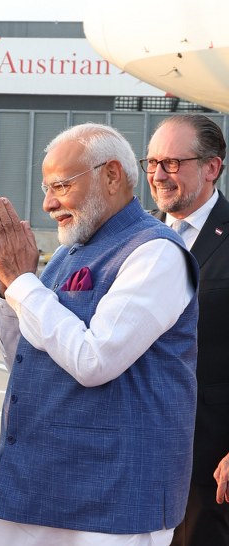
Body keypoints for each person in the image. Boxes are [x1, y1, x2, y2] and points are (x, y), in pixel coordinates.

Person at [0, 123, 198, 544]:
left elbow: (94, 360)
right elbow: (24, 357)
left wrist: (25, 284)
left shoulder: (157, 252)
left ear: (112, 175)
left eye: (61, 186)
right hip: (35, 483)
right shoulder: (68, 252)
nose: (48, 203)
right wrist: (11, 290)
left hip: (112, 497)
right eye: (46, 188)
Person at [143, 114, 229, 546]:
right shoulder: (133, 235)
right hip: (135, 449)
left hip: (209, 458)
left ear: (212, 167)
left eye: (173, 163)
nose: (158, 175)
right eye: (152, 162)